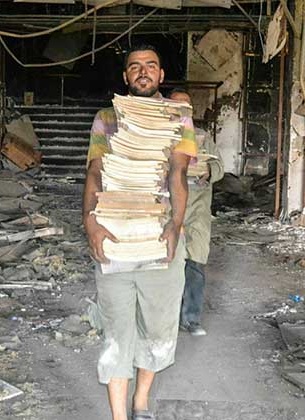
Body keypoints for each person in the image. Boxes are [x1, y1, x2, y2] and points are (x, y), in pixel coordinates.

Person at [83, 45, 197, 420]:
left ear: (162, 75)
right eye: (134, 67)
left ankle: (141, 403)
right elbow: (95, 173)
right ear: (126, 77)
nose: (143, 72)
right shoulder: (106, 118)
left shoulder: (178, 118)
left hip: (159, 233)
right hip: (114, 236)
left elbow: (178, 174)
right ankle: (119, 416)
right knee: (116, 328)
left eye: (151, 65)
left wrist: (175, 228)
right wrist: (90, 221)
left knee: (158, 325)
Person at [169, 89, 224, 337]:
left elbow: (219, 165)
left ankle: (190, 318)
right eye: (177, 105)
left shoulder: (202, 137)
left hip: (198, 209)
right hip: (168, 208)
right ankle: (165, 319)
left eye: (187, 106)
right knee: (166, 264)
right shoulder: (160, 134)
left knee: (195, 263)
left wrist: (207, 171)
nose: (183, 110)